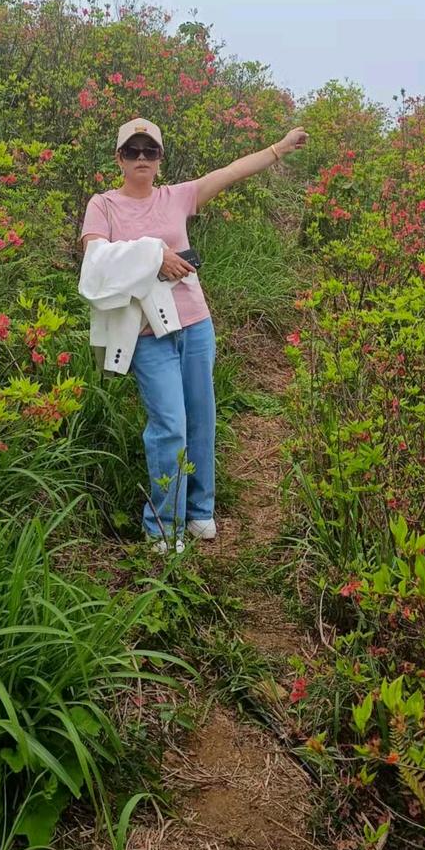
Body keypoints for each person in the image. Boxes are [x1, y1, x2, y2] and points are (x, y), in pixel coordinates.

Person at [80, 116, 308, 551]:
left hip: (195, 324)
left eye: (150, 151)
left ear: (160, 159)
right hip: (148, 335)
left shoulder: (177, 196)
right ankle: (164, 525)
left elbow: (231, 172)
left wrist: (279, 147)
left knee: (201, 420)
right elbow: (94, 260)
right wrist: (154, 255)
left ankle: (201, 511)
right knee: (169, 425)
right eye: (133, 151)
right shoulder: (103, 205)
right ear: (119, 158)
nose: (142, 158)